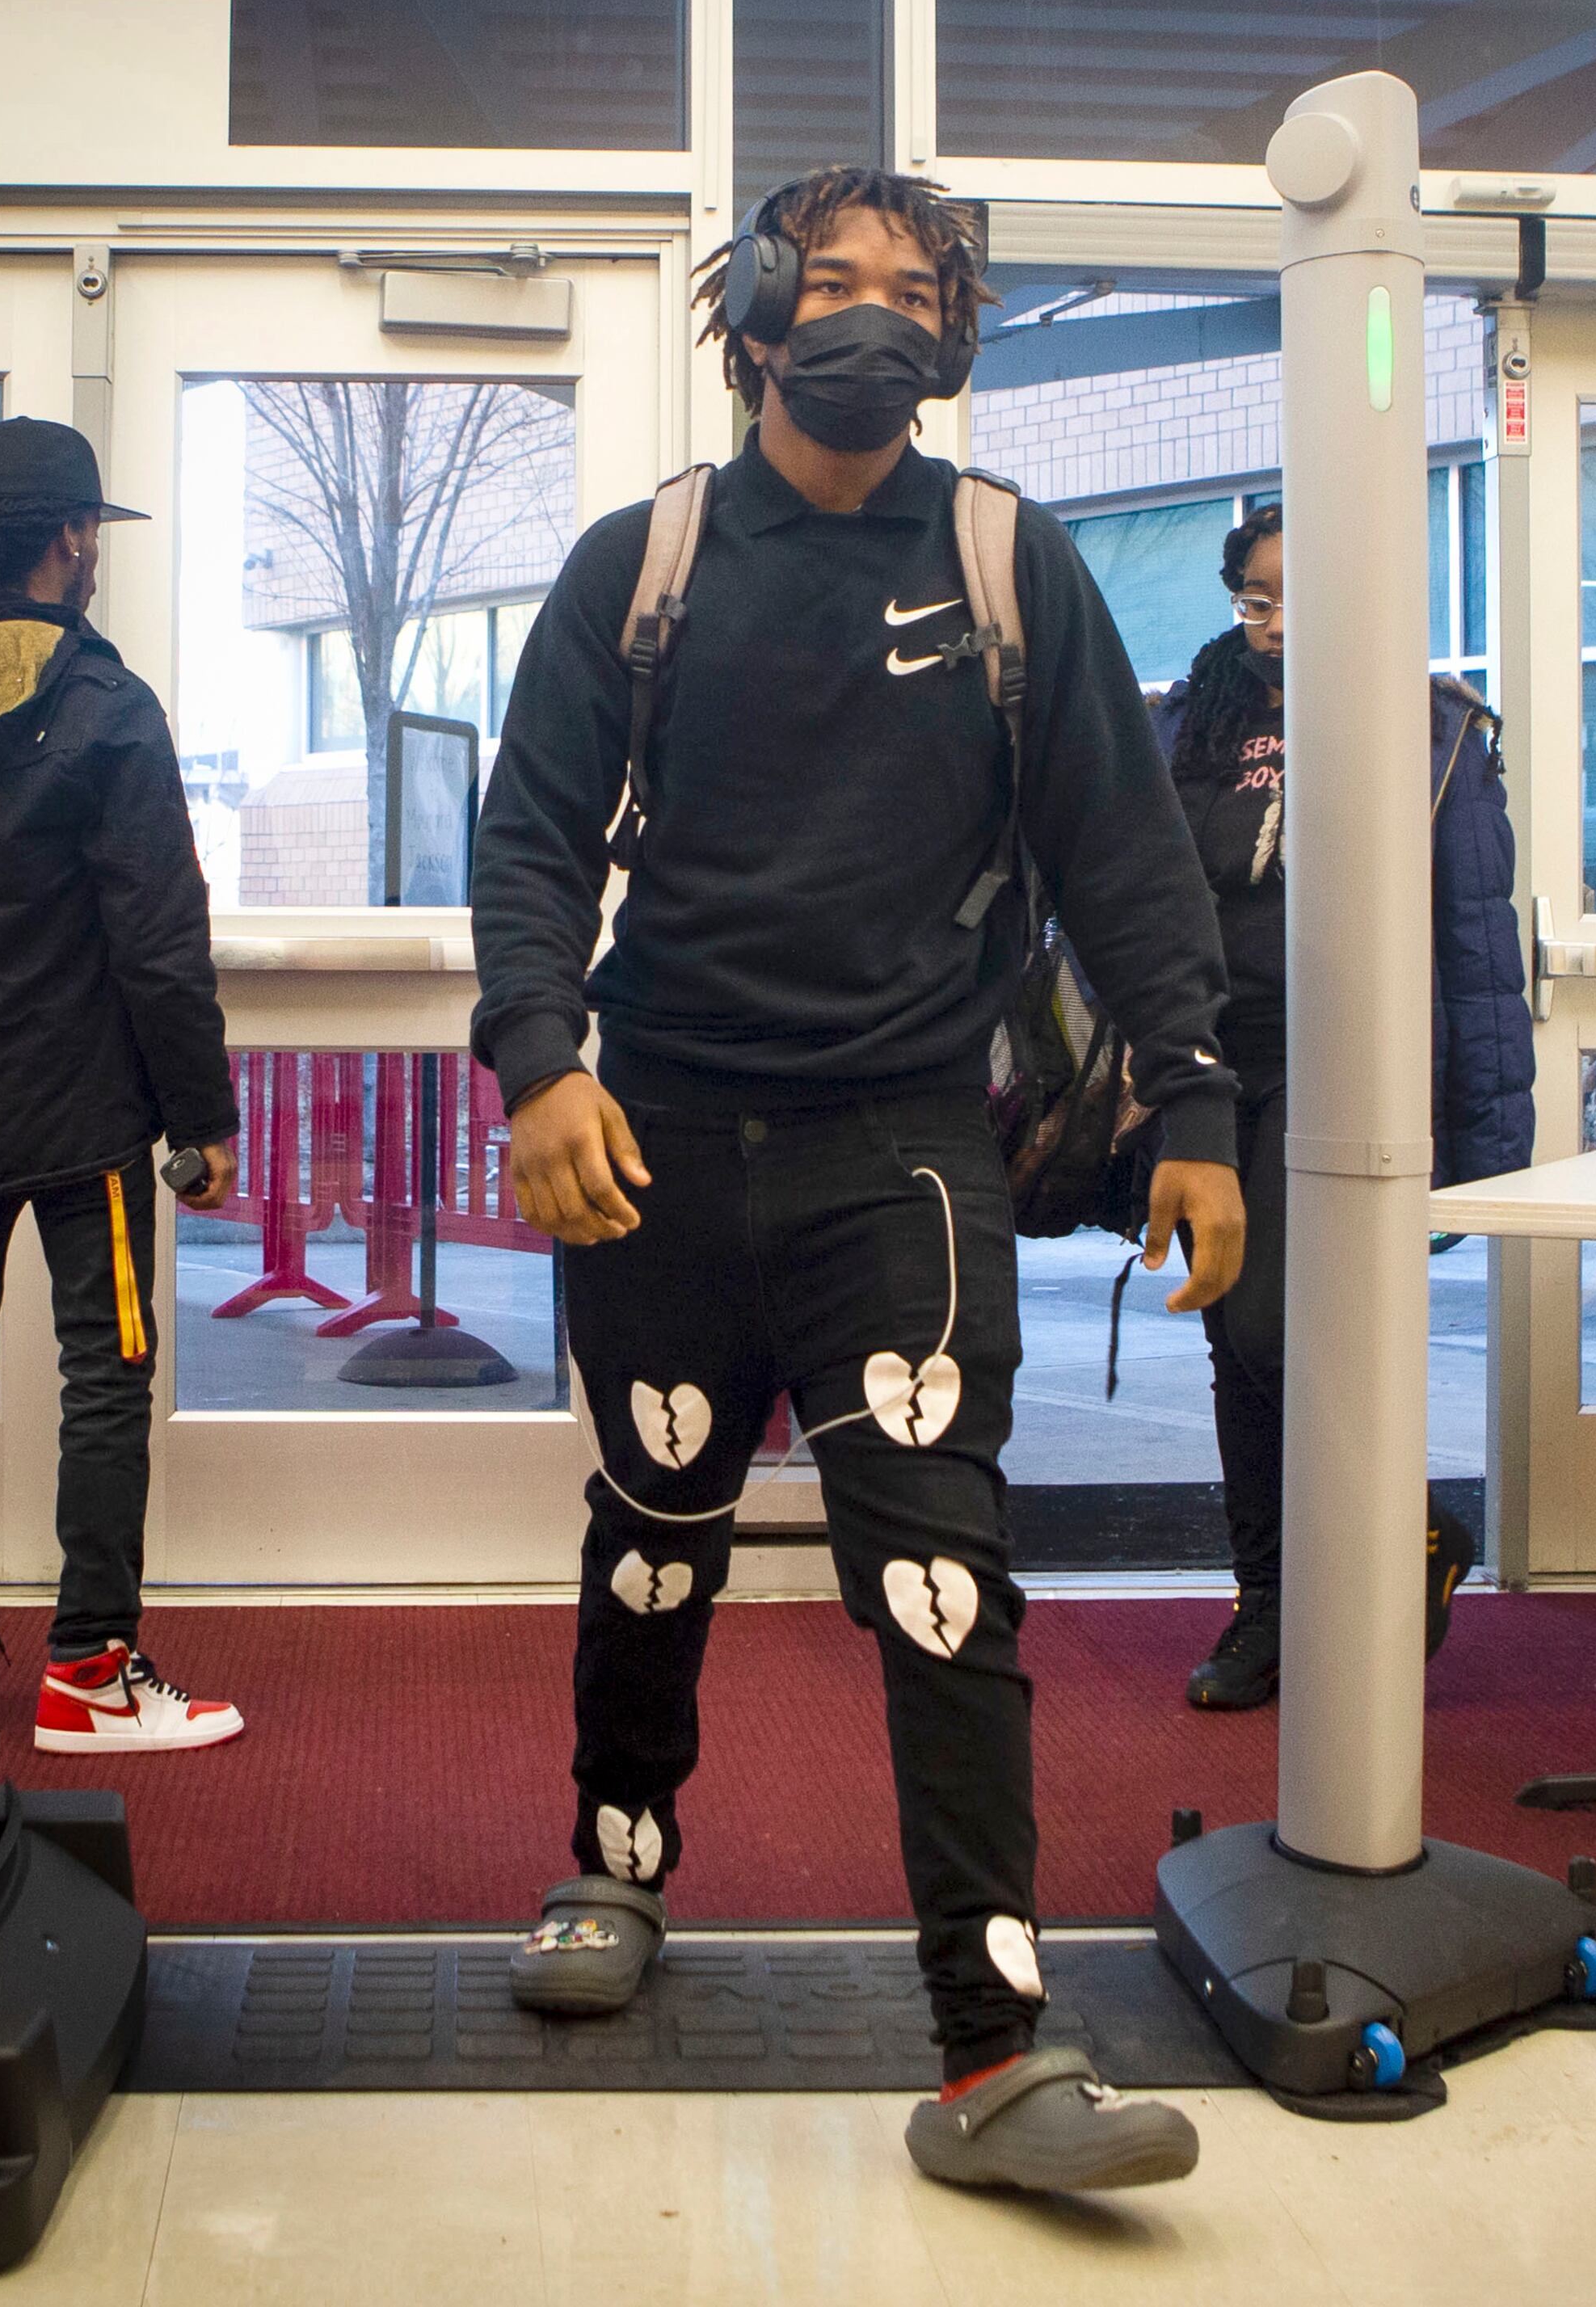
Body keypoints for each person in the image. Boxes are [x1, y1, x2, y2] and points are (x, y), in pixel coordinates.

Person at [469, 165, 1246, 2192]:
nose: (875, 317)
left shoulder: (1010, 563)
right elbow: (533, 837)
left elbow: (1126, 860)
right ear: (747, 312)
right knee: (654, 1527)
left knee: (936, 1570)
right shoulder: (641, 563)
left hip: (898, 1146)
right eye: (834, 283)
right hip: (651, 1139)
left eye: (916, 291)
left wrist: (1198, 1106)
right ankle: (615, 1866)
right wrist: (540, 1064)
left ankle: (996, 2048)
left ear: (961, 333)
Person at [1155, 505, 1535, 1709]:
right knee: (1232, 1336)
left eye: (1296, 600)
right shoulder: (1193, 719)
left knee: (1274, 1330)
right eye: (1255, 600)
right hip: (1216, 1070)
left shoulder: (1429, 731)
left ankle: (1400, 1533)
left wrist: (1484, 1145)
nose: (1271, 628)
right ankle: (1267, 1605)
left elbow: (1476, 941)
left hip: (1349, 1072)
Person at [0, 415, 246, 1754]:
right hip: (85, 1113)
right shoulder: (103, 706)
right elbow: (158, 937)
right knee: (106, 1372)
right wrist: (202, 1121)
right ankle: (89, 1665)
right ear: (73, 540)